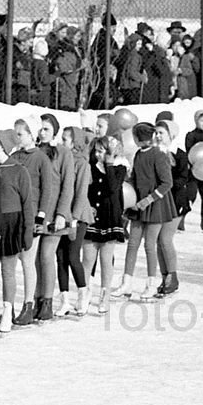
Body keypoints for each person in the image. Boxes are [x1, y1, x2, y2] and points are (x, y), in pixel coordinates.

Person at [112, 123, 174, 300]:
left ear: (139, 138)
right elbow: (135, 178)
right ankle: (126, 283)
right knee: (132, 244)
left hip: (156, 206)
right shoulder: (139, 154)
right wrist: (128, 194)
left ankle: (151, 285)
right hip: (138, 205)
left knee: (149, 246)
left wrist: (148, 200)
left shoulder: (158, 155)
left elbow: (167, 183)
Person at [9, 117, 57, 325]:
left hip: (32, 217)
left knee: (28, 261)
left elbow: (47, 190)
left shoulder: (41, 158)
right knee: (12, 262)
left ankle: (29, 304)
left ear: (31, 133)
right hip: (14, 215)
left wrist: (41, 217)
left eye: (20, 133)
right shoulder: (14, 156)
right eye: (15, 134)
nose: (16, 137)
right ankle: (8, 305)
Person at [0, 129, 35, 333]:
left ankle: (7, 309)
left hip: (11, 224)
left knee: (7, 271)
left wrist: (27, 231)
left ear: (1, 147)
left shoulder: (19, 171)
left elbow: (27, 204)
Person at [80, 135, 128, 314]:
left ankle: (105, 295)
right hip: (92, 216)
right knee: (87, 259)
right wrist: (87, 206)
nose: (98, 154)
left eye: (102, 151)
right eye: (96, 151)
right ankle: (84, 293)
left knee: (106, 260)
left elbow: (113, 187)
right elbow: (85, 190)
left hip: (109, 217)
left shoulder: (119, 168)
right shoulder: (90, 168)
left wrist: (108, 164)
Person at [34, 113, 75, 321]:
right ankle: (36, 300)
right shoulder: (32, 152)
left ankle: (47, 302)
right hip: (36, 213)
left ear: (54, 132)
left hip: (54, 214)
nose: (42, 132)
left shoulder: (63, 153)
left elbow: (68, 186)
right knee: (34, 259)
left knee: (46, 256)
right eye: (40, 128)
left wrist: (61, 213)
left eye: (46, 129)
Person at [54, 126, 93, 316]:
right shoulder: (62, 160)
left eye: (66, 140)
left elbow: (80, 193)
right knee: (60, 257)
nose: (63, 143)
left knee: (72, 256)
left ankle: (83, 294)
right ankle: (64, 299)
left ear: (75, 143)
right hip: (62, 215)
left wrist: (75, 219)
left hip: (77, 216)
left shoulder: (82, 164)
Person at [154, 118, 187, 296]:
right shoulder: (153, 153)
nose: (158, 136)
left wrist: (167, 183)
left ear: (171, 135)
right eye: (157, 133)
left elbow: (183, 178)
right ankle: (165, 275)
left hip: (175, 202)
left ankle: (172, 277)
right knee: (158, 240)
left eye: (162, 133)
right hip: (159, 202)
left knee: (165, 239)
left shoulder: (179, 154)